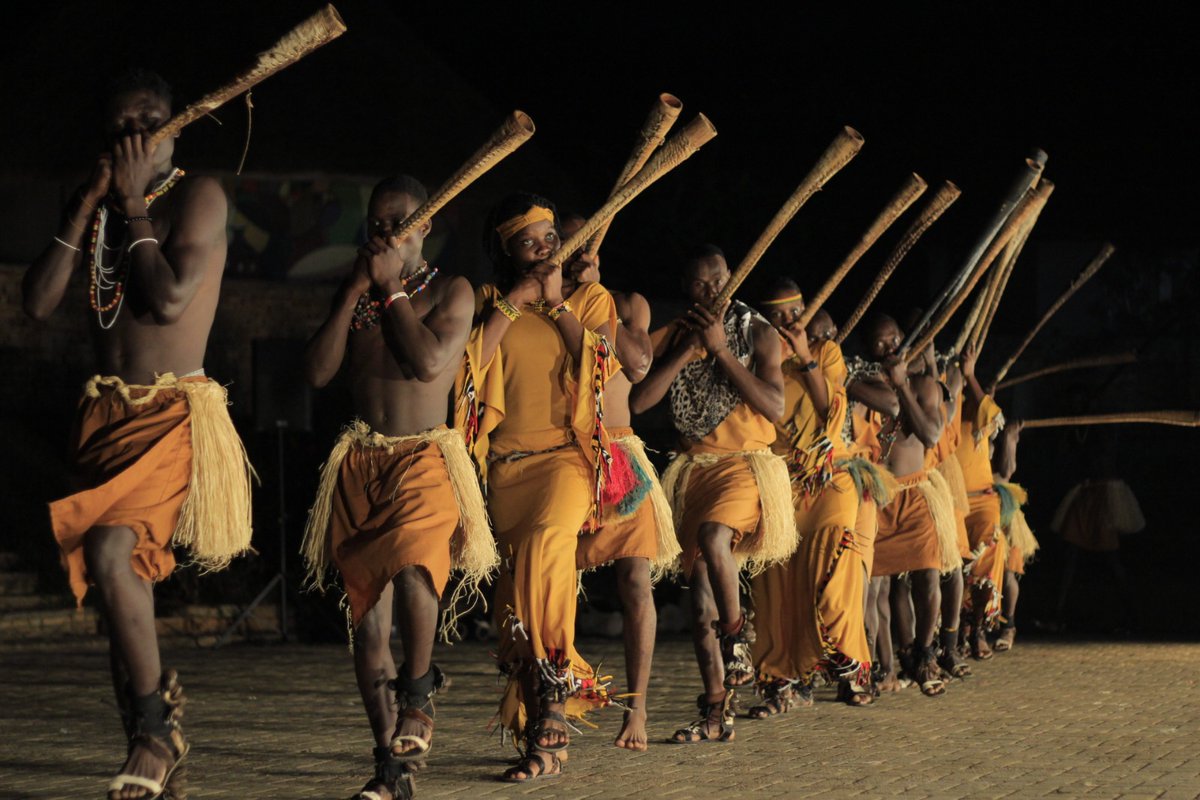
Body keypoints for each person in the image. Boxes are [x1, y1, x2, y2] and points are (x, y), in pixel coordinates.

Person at [22, 69, 252, 800]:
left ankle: (157, 729)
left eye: (148, 121)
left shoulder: (197, 197)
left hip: (171, 415)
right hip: (102, 421)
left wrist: (128, 203)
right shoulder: (98, 212)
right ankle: (151, 742)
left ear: (177, 126)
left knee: (111, 549)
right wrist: (91, 201)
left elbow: (169, 296)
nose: (134, 136)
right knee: (120, 584)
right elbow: (36, 302)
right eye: (120, 125)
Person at [300, 175, 496, 800]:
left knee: (415, 565)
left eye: (399, 222)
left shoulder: (452, 291)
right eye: (377, 224)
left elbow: (429, 362)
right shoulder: (356, 294)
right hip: (361, 461)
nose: (385, 232)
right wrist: (358, 287)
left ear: (425, 227)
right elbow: (316, 371)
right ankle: (390, 766)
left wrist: (387, 289)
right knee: (367, 622)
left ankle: (418, 688)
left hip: (425, 456)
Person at [472, 193, 621, 781]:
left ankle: (556, 698)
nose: (543, 248)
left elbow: (604, 368)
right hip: (506, 469)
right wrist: (513, 305)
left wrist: (558, 305)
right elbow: (468, 370)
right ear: (508, 252)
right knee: (517, 597)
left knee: (545, 547)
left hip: (567, 459)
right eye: (528, 241)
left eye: (549, 237)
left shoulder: (590, 299)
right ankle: (542, 742)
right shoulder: (489, 302)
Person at [629, 244, 795, 743]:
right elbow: (639, 400)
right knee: (699, 602)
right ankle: (716, 712)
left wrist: (721, 349)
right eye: (700, 285)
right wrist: (687, 350)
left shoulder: (760, 334)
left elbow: (775, 407)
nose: (711, 291)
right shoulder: (676, 333)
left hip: (745, 466)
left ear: (732, 279)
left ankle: (738, 633)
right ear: (688, 290)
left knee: (713, 536)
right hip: (695, 472)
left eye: (718, 281)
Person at [558, 213, 680, 752]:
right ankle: (554, 696)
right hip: (563, 456)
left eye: (589, 241)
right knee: (555, 582)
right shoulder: (542, 303)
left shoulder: (627, 303)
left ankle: (637, 709)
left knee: (635, 582)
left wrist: (595, 293)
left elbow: (635, 366)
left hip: (620, 452)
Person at [748, 279, 875, 714]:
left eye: (794, 312)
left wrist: (803, 357)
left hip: (831, 477)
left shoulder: (825, 353)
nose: (787, 322)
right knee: (778, 585)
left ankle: (851, 666)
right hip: (782, 483)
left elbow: (829, 413)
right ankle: (781, 682)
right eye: (777, 315)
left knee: (834, 566)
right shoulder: (761, 358)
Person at [846, 314, 949, 696]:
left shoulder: (923, 386)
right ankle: (876, 668)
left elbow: (931, 434)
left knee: (928, 576)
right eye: (880, 344)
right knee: (873, 588)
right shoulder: (861, 386)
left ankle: (925, 654)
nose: (889, 348)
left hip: (916, 492)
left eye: (895, 341)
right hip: (876, 496)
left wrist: (904, 383)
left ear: (905, 342)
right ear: (868, 349)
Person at [953, 343, 1010, 659]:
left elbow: (993, 414)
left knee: (989, 551)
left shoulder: (978, 408)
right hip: (952, 502)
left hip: (983, 501)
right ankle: (958, 630)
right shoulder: (941, 406)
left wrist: (970, 375)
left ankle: (978, 630)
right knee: (957, 567)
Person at [991, 420, 1038, 651]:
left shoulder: (1000, 431)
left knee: (1008, 571)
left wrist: (1009, 439)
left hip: (1001, 506)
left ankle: (1008, 625)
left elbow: (1006, 471)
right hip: (971, 502)